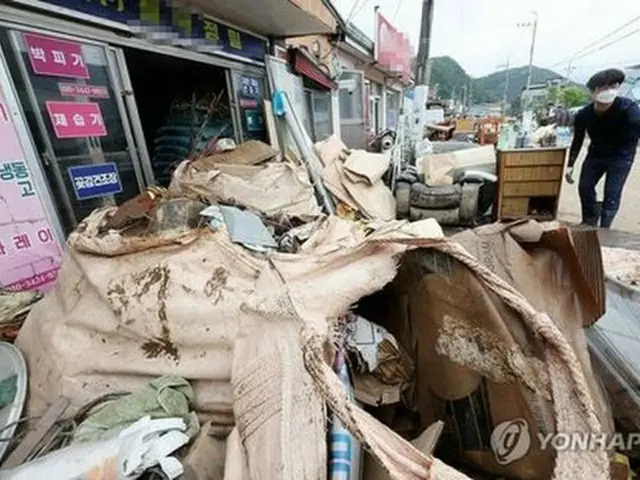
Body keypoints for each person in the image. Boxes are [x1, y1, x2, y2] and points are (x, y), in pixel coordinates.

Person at [565, 69, 640, 228]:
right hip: (597, 152)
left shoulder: (628, 108)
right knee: (585, 186)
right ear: (593, 92)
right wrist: (570, 165)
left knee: (612, 192)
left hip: (622, 154)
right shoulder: (584, 114)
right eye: (602, 88)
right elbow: (577, 140)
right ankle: (589, 219)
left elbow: (637, 124)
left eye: (612, 86)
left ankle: (605, 228)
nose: (607, 91)